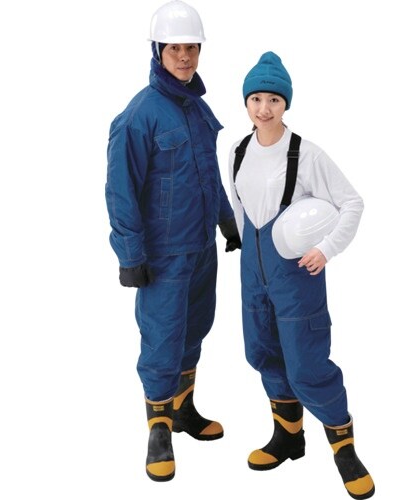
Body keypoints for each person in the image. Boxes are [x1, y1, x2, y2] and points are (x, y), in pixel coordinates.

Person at [228, 51, 375, 499]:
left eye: (274, 100)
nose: (264, 109)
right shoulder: (237, 151)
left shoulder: (307, 154)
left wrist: (326, 249)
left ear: (285, 104)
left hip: (295, 274)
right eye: (256, 99)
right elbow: (240, 208)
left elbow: (352, 203)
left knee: (307, 364)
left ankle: (344, 449)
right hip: (253, 271)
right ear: (246, 103)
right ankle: (288, 437)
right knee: (263, 352)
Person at [105, 0, 240, 482]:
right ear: (158, 50)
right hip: (162, 256)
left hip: (201, 248)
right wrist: (130, 255)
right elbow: (121, 191)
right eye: (175, 48)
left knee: (195, 328)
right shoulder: (139, 116)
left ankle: (182, 409)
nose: (184, 56)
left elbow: (208, 174)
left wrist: (227, 222)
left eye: (192, 48)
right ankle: (158, 430)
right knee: (163, 338)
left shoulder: (198, 109)